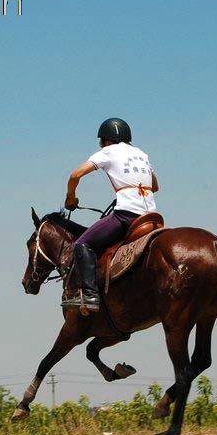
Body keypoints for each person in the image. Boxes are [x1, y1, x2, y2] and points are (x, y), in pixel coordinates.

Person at [61, 118, 159, 311]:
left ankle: (90, 295)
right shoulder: (141, 154)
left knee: (82, 244)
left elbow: (75, 175)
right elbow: (155, 186)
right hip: (151, 216)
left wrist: (71, 198)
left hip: (127, 216)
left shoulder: (108, 151)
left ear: (106, 140)